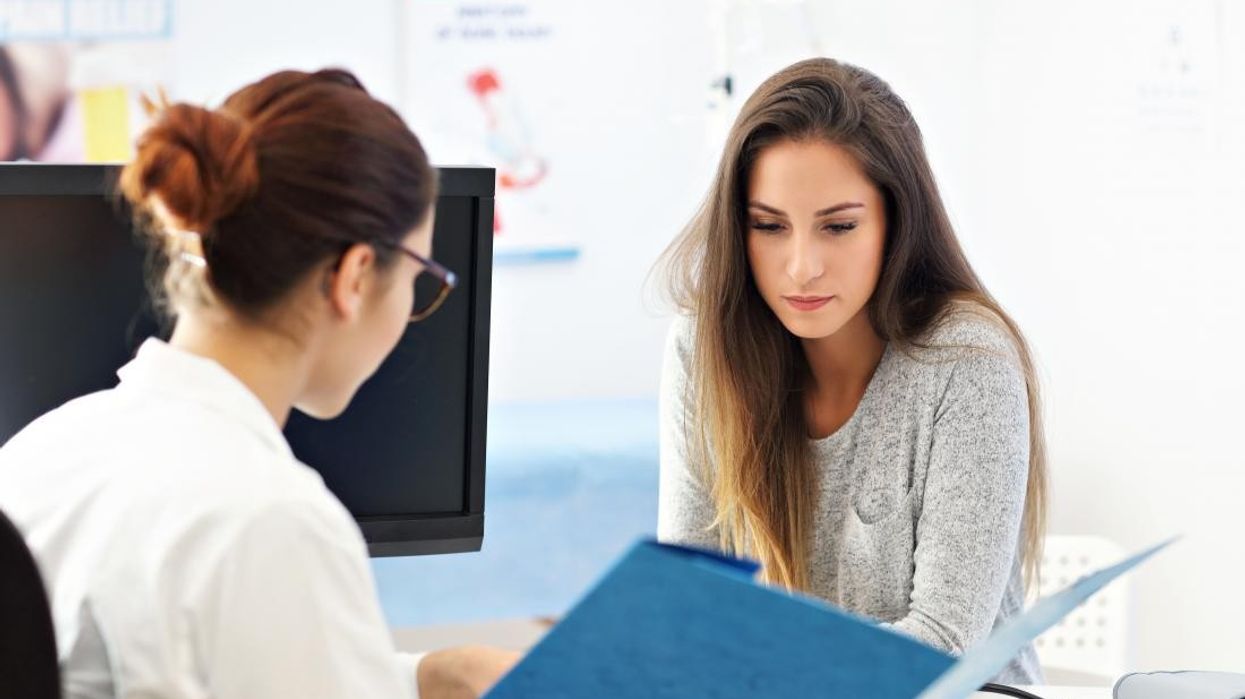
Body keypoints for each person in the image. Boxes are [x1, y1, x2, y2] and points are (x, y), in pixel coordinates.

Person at [0, 68, 517, 698]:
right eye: (420, 276)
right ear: (354, 277)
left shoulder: (39, 451)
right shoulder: (273, 521)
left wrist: (423, 675)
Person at [657, 57, 1047, 683]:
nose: (802, 266)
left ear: (897, 221)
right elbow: (687, 601)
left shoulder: (968, 362)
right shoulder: (704, 350)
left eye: (838, 227)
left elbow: (938, 645)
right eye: (768, 226)